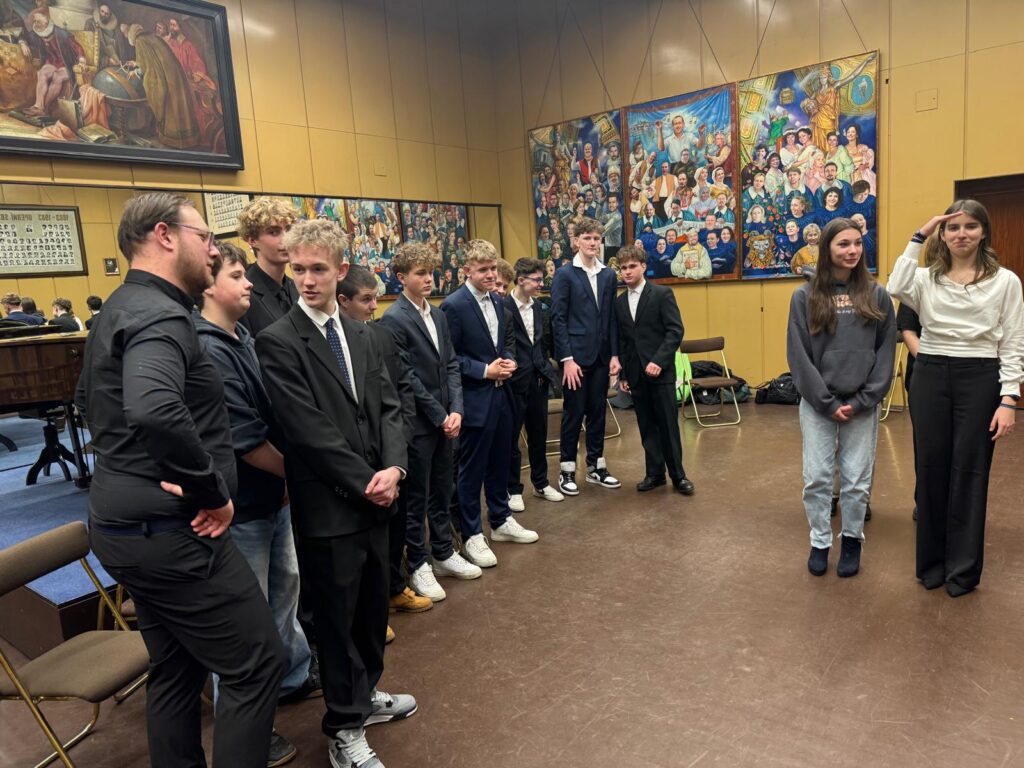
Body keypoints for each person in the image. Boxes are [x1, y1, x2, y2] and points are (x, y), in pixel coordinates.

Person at [77, 192, 286, 767]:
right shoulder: (161, 314)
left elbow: (91, 404)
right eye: (206, 238)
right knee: (256, 663)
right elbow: (153, 410)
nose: (213, 250)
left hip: (122, 525)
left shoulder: (119, 308)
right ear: (165, 236)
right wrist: (209, 490)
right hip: (174, 532)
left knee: (175, 668)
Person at [256, 218, 416, 767]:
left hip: (380, 497)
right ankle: (344, 727)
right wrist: (365, 483)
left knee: (372, 611)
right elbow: (306, 430)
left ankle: (364, 695)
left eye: (318, 269)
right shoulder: (278, 340)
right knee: (336, 621)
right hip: (330, 506)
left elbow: (389, 406)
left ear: (341, 270)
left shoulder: (364, 333)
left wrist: (393, 468)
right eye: (297, 269)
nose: (306, 280)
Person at [195, 241, 315, 766]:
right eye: (237, 275)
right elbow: (245, 441)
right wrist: (302, 475)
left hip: (272, 496)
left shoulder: (240, 336)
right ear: (208, 286)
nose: (249, 284)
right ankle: (248, 729)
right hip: (240, 505)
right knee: (245, 624)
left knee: (284, 592)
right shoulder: (207, 350)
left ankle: (290, 678)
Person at [887, 200, 1024, 597]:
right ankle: (931, 565)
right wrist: (919, 236)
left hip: (980, 376)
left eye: (970, 226)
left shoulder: (1005, 282)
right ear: (943, 235)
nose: (962, 233)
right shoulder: (926, 278)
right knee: (930, 468)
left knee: (970, 470)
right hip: (930, 373)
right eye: (953, 227)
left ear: (983, 232)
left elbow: (1013, 341)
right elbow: (895, 285)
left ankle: (962, 570)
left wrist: (1009, 399)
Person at [787, 217, 895, 579]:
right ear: (827, 249)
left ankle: (851, 540)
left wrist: (865, 399)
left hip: (861, 405)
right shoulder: (804, 296)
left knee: (856, 481)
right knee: (817, 478)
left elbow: (885, 353)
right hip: (819, 405)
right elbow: (799, 355)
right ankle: (820, 541)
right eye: (843, 244)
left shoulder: (877, 295)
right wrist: (825, 402)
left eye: (857, 243)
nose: (852, 251)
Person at [380, 243, 479, 602]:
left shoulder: (436, 315)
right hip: (420, 424)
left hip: (447, 419)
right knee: (416, 498)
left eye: (430, 272)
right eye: (420, 273)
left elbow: (451, 363)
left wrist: (457, 410)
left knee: (442, 489)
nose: (428, 279)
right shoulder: (394, 319)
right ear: (401, 277)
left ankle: (443, 551)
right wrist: (440, 415)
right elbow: (406, 377)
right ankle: (418, 562)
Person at [337, 265, 431, 630]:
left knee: (397, 523)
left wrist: (400, 441)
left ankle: (394, 588)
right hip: (359, 455)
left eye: (375, 298)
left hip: (393, 448)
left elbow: (402, 387)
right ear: (343, 301)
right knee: (364, 537)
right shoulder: (334, 343)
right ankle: (370, 610)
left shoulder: (380, 335)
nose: (373, 306)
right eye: (366, 300)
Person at [441, 240, 539, 568]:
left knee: (501, 460)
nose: (490, 275)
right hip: (474, 398)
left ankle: (500, 520)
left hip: (501, 395)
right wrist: (485, 370)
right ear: (466, 270)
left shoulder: (498, 301)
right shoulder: (454, 305)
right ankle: (471, 533)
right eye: (483, 269)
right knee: (471, 470)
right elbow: (450, 358)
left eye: (493, 268)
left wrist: (509, 360)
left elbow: (504, 342)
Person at [614, 246, 694, 495]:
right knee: (646, 426)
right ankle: (655, 474)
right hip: (636, 375)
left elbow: (675, 331)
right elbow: (624, 341)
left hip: (661, 373)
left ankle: (678, 476)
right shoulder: (619, 303)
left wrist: (659, 360)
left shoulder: (661, 294)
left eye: (632, 266)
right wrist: (624, 374)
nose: (627, 272)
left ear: (643, 267)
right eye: (623, 268)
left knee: (668, 426)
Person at [550, 217, 621, 495]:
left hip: (601, 358)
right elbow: (557, 319)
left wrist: (614, 355)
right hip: (575, 361)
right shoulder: (565, 274)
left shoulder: (608, 275)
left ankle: (596, 467)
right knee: (573, 413)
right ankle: (567, 470)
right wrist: (566, 359)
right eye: (587, 238)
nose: (592, 243)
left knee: (598, 413)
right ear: (576, 241)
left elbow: (611, 318)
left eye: (596, 238)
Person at [505, 258, 562, 511]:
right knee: (512, 440)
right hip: (513, 382)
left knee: (539, 434)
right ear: (520, 280)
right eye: (537, 280)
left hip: (538, 380)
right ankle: (513, 489)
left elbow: (541, 342)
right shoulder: (503, 306)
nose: (541, 284)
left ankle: (541, 483)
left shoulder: (539, 307)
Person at [238, 197, 300, 338]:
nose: (286, 239)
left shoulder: (297, 287)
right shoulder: (244, 291)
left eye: (288, 229)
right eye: (274, 232)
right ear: (252, 240)